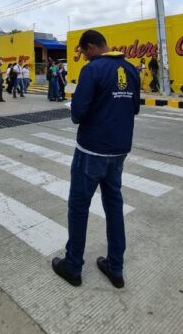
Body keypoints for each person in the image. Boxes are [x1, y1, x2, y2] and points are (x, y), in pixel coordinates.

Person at [51, 30, 140, 289]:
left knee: (78, 207)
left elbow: (78, 114)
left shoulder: (93, 70)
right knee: (114, 207)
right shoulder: (131, 68)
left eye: (84, 51)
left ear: (90, 47)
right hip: (119, 151)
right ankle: (115, 267)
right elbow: (133, 108)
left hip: (91, 151)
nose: (84, 56)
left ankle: (73, 266)